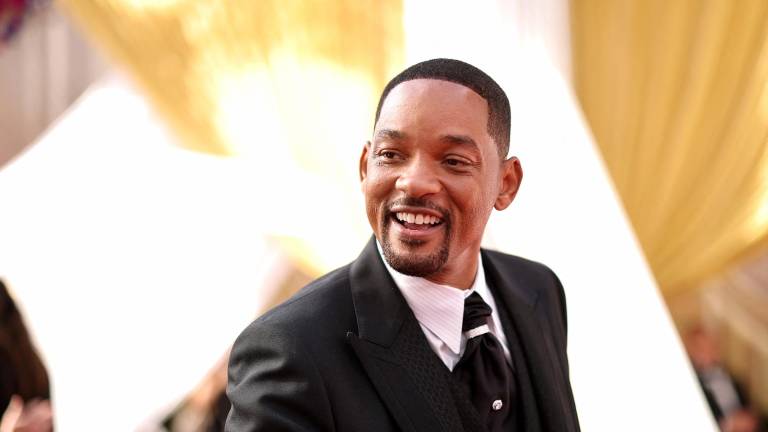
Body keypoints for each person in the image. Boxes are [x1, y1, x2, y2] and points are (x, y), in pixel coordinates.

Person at [226, 58, 580, 432]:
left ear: (506, 184)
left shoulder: (538, 289)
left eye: (453, 161)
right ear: (365, 167)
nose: (414, 182)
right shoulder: (291, 349)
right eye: (391, 155)